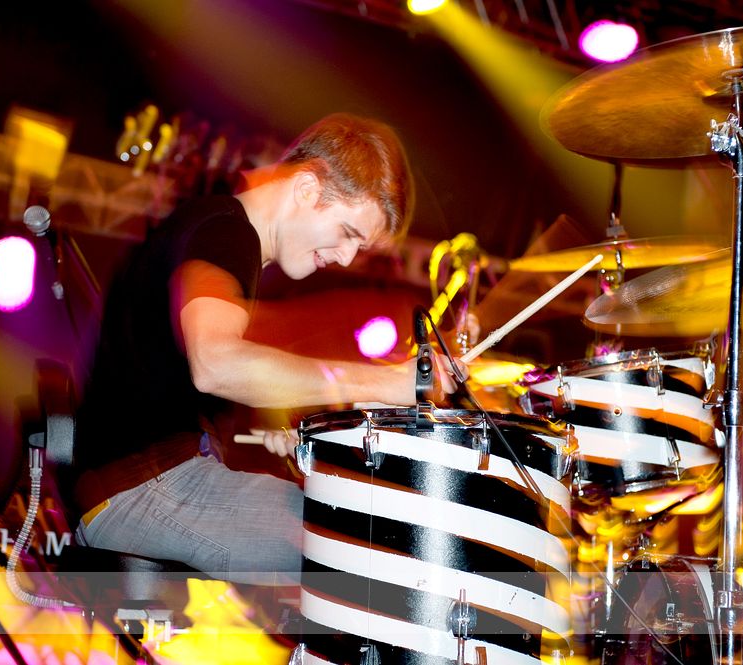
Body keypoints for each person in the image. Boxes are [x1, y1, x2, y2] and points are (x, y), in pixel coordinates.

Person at [72, 113, 461, 584]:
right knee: (368, 543)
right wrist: (382, 382)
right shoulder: (225, 234)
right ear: (307, 189)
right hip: (143, 489)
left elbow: (171, 385)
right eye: (348, 233)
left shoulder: (216, 232)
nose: (346, 258)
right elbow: (215, 365)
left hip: (145, 480)